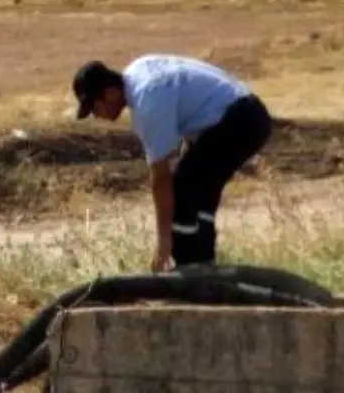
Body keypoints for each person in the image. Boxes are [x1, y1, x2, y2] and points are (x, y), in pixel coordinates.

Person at [71, 54, 273, 272]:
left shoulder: (146, 103)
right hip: (248, 114)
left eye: (95, 108)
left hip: (240, 120)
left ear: (109, 93)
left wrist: (163, 243)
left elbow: (160, 179)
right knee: (199, 194)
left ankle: (189, 270)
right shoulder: (139, 70)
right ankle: (204, 267)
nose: (96, 116)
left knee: (181, 190)